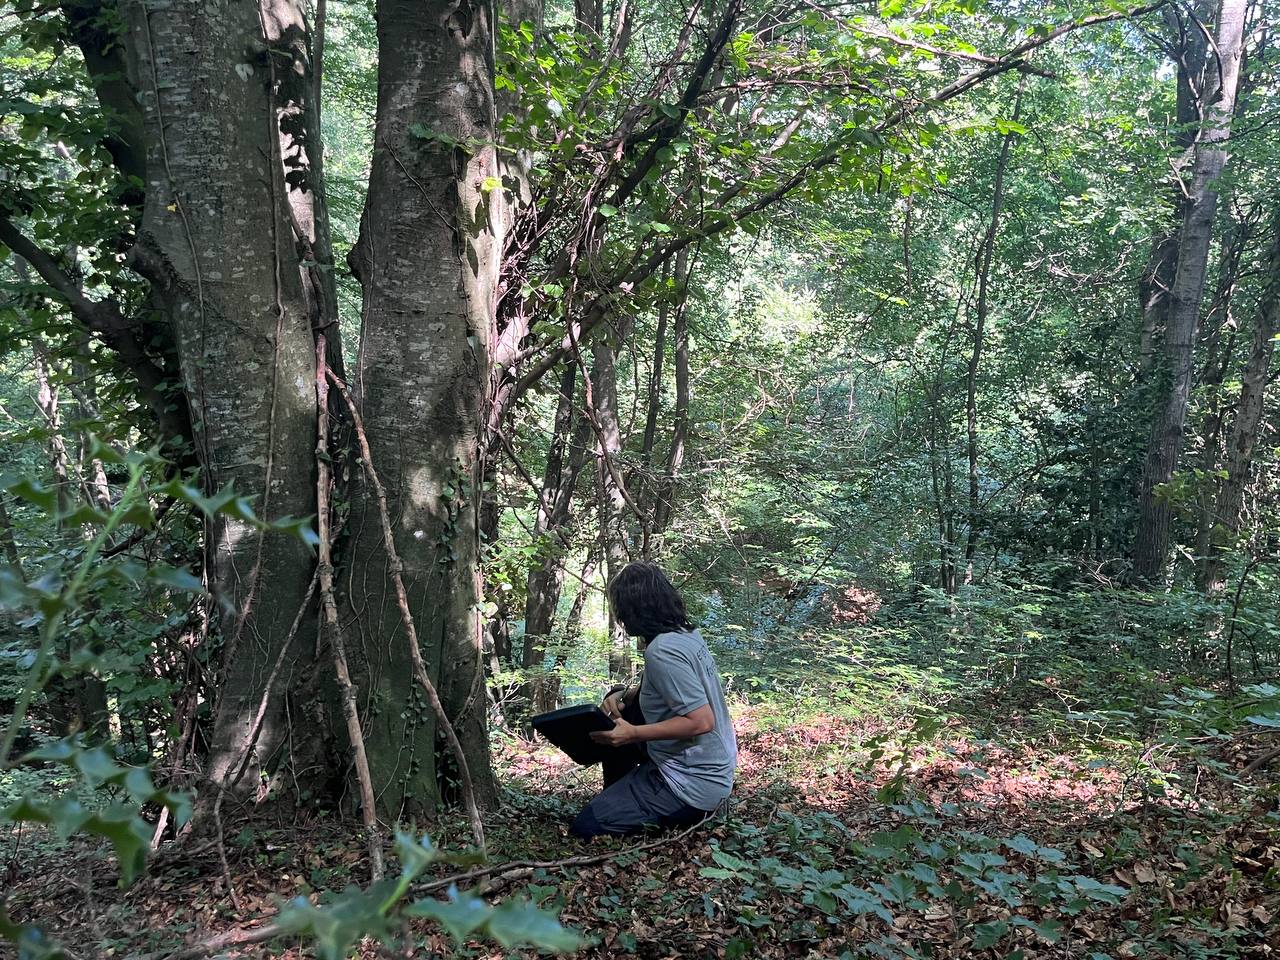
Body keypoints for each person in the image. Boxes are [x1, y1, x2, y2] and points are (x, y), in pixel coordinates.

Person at [570, 561, 737, 839]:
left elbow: (701, 720)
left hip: (692, 785)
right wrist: (620, 693)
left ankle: (653, 803)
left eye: (621, 608)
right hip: (713, 770)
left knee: (586, 827)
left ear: (633, 610)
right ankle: (626, 794)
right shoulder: (684, 635)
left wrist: (634, 733)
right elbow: (670, 689)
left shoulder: (662, 651)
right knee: (618, 723)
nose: (620, 616)